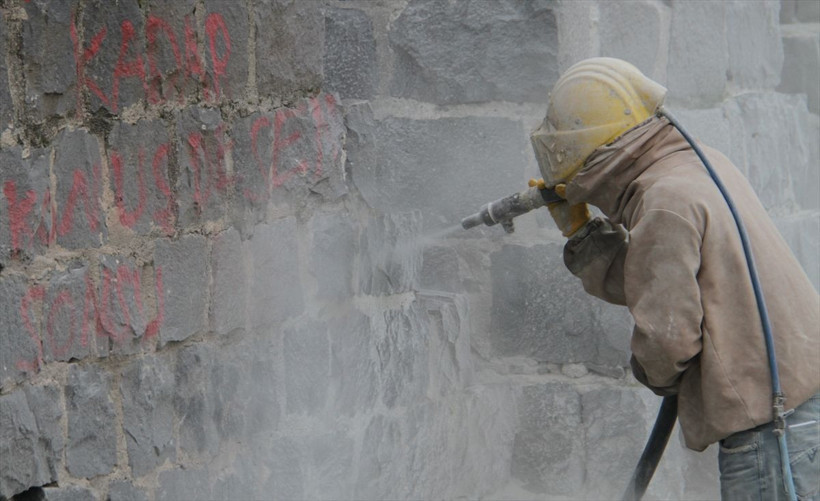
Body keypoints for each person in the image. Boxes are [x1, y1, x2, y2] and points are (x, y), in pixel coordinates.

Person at [530, 57, 820, 500]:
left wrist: (656, 372)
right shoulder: (695, 166)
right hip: (798, 410)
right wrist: (584, 233)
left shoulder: (665, 201)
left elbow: (667, 339)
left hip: (773, 428)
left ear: (592, 163)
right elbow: (660, 277)